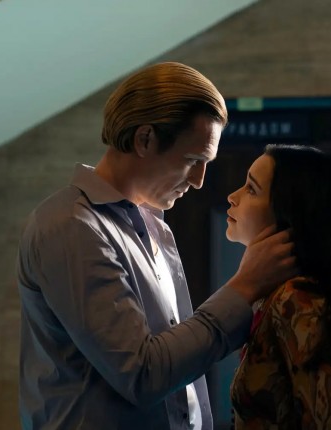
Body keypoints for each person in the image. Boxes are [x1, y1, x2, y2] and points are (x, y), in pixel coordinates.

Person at [16, 62, 297, 430]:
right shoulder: (71, 226)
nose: (199, 181)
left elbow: (177, 377)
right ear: (145, 139)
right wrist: (245, 288)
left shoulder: (152, 227)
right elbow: (143, 374)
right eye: (193, 160)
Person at [227, 144, 331, 429]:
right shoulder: (274, 295)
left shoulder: (296, 298)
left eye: (251, 189)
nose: (232, 197)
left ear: (288, 212)